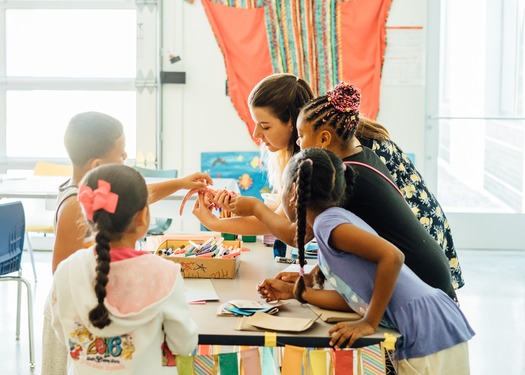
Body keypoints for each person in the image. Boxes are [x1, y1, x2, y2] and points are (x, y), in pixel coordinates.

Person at [198, 82, 457, 301]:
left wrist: (250, 209)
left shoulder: (338, 171)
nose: (256, 134)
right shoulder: (346, 151)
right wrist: (313, 278)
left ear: (295, 125)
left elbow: (296, 231)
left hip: (420, 278)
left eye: (265, 126)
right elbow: (287, 220)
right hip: (422, 272)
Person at [256, 148, 474, 374]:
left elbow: (392, 256)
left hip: (426, 328)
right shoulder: (333, 220)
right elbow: (355, 299)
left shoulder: (327, 224)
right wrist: (296, 292)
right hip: (433, 322)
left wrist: (369, 323)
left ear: (292, 191)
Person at [42, 111, 211, 374]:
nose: (125, 159)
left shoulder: (88, 197)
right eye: (121, 154)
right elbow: (58, 270)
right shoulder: (74, 206)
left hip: (89, 313)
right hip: (85, 313)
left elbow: (132, 199)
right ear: (97, 164)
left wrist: (179, 183)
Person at [51, 164, 198, 374]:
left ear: (88, 217)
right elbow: (183, 344)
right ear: (142, 216)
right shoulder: (165, 274)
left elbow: (61, 330)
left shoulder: (66, 270)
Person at [355, 118, 464, 289]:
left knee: (429, 295)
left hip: (420, 225)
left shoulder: (361, 150)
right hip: (424, 220)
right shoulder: (363, 138)